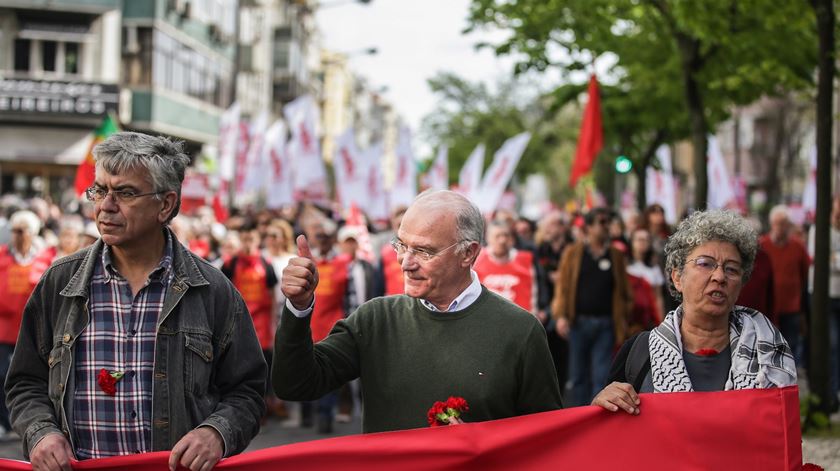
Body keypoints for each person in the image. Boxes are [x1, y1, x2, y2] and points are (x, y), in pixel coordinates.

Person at [5, 132, 266, 471]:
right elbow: (25, 383)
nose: (106, 205)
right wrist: (41, 433)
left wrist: (216, 432)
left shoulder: (212, 291)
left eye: (125, 192)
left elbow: (248, 392)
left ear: (166, 204)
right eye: (100, 190)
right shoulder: (59, 283)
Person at [274, 190, 562, 433]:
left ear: (468, 253)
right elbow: (295, 385)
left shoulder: (520, 331)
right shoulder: (375, 320)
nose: (405, 262)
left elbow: (546, 440)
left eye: (424, 251)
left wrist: (482, 446)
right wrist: (298, 309)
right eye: (401, 245)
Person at [592, 210, 797, 415]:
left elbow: (782, 438)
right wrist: (602, 405)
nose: (719, 276)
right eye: (705, 264)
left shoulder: (768, 353)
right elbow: (608, 435)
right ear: (677, 278)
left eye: (731, 269)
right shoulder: (639, 353)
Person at [551, 207, 633, 406]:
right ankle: (579, 417)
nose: (607, 227)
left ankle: (597, 419)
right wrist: (561, 315)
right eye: (602, 222)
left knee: (601, 376)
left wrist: (623, 316)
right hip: (578, 322)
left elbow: (624, 290)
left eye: (608, 222)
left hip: (606, 324)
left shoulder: (616, 255)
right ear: (588, 227)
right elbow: (563, 286)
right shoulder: (573, 253)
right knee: (578, 377)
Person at [0, 210, 49, 442]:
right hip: (3, 328)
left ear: (32, 232)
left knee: (29, 377)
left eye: (22, 231)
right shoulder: (2, 256)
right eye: (14, 231)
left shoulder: (44, 259)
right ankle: (3, 420)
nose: (17, 236)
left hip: (31, 329)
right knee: (2, 374)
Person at [761, 205, 810, 364]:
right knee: (769, 348)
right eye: (777, 223)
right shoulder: (762, 245)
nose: (780, 228)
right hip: (768, 308)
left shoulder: (798, 247)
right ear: (771, 224)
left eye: (783, 223)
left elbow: (805, 273)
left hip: (791, 307)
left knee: (791, 347)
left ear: (788, 225)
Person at [474, 220, 540, 318]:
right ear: (488, 238)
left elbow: (533, 294)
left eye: (506, 235)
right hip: (486, 319)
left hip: (518, 320)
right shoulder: (476, 260)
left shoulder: (524, 261)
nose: (502, 240)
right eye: (498, 236)